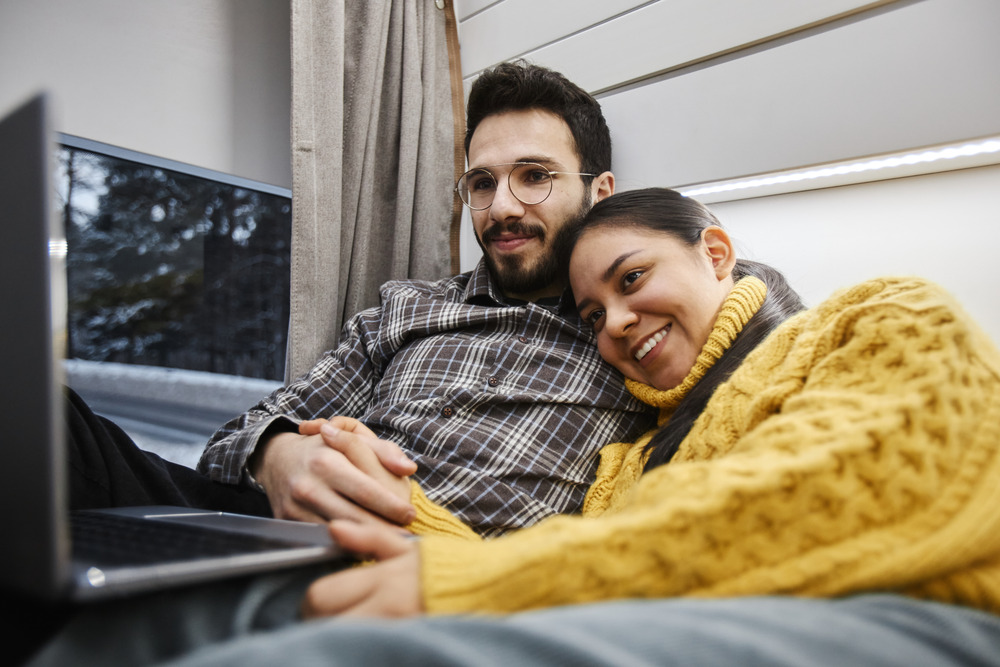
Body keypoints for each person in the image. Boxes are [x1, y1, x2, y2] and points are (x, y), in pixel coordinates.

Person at [30, 188, 1000, 666]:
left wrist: (480, 575)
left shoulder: (873, 316)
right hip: (672, 582)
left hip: (909, 600)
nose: (615, 324)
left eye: (630, 282)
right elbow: (582, 551)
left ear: (715, 250)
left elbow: (840, 489)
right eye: (593, 315)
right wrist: (357, 476)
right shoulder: (627, 460)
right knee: (155, 594)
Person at [67, 60, 655, 538]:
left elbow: (736, 305)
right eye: (482, 183)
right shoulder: (405, 309)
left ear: (599, 192)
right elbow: (233, 437)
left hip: (433, 564)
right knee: (59, 425)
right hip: (286, 528)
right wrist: (278, 458)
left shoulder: (640, 316)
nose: (501, 206)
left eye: (533, 176)